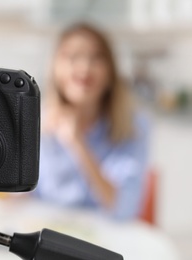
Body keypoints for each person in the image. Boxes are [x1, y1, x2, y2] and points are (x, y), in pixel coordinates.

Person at [36, 23, 149, 220]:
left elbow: (123, 210)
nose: (84, 67)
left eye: (96, 57)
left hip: (106, 239)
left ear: (110, 73)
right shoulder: (38, 122)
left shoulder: (134, 127)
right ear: (55, 69)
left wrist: (77, 143)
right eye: (72, 57)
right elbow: (16, 199)